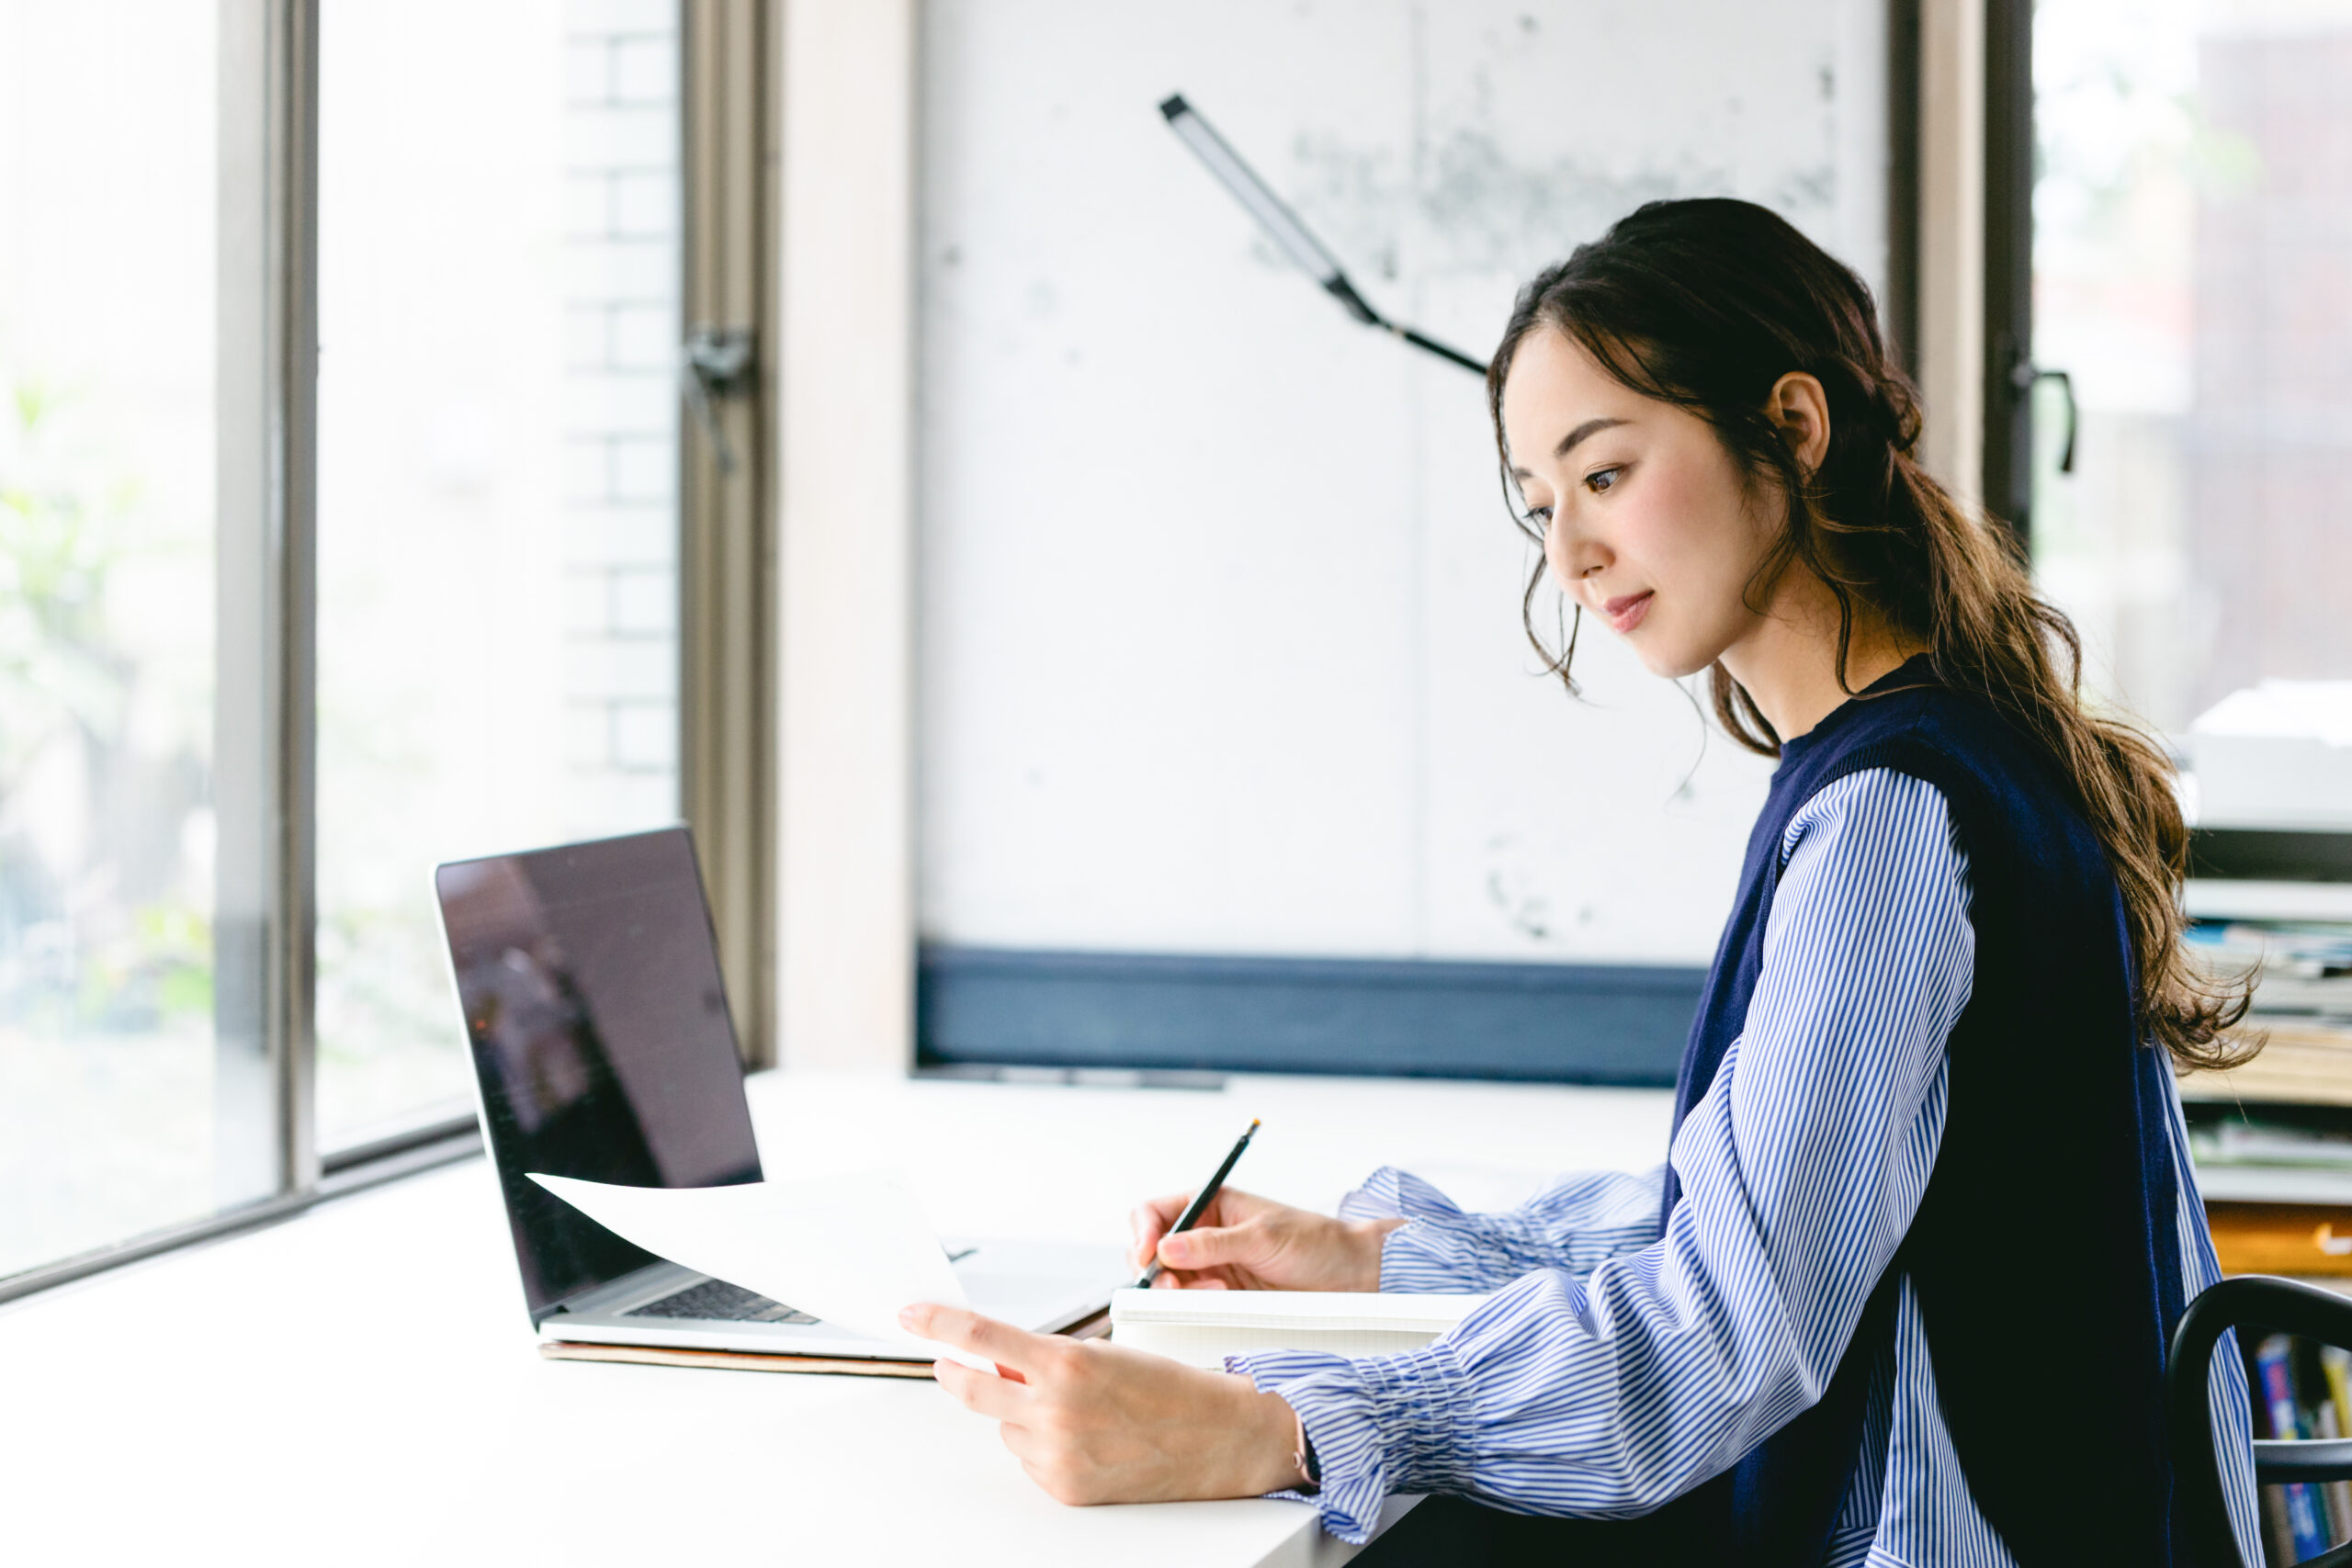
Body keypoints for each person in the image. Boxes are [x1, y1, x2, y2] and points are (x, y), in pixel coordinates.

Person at [899, 197, 2264, 1566]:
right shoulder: (1957, 748)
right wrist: (1374, 1259)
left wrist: (1280, 1427)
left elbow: (1728, 1328)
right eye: (1541, 504)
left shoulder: (1888, 818)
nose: (1569, 554)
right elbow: (1762, 1214)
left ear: (1793, 427)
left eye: (1605, 474)